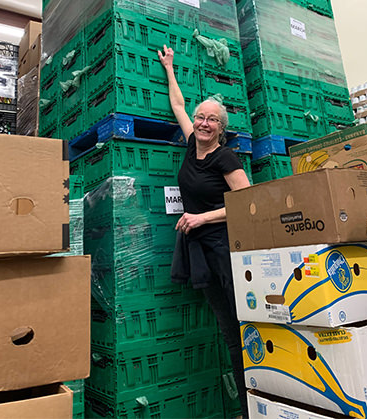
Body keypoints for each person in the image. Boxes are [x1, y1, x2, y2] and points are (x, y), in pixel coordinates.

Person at [158, 45, 252, 416]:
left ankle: (256, 397)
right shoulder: (190, 146)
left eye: (211, 120)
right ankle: (248, 406)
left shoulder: (224, 157)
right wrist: (169, 68)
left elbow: (245, 200)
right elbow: (178, 106)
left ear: (221, 128)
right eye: (201, 117)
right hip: (200, 250)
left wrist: (201, 217)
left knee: (241, 324)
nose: (202, 123)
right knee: (228, 328)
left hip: (225, 248)